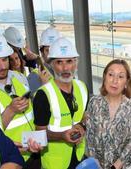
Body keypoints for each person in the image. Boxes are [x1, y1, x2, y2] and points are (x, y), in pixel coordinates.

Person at [0, 27, 40, 165]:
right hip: (9, 160)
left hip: (34, 153)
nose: (2, 66)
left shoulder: (20, 77)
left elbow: (31, 116)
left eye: (4, 59)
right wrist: (11, 111)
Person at [33, 37, 88, 169]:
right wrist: (61, 136)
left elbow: (84, 115)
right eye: (59, 62)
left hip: (79, 156)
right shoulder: (43, 95)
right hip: (56, 163)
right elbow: (39, 135)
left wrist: (81, 126)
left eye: (69, 61)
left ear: (76, 63)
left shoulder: (82, 87)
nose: (65, 68)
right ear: (51, 64)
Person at [86, 59, 131, 169]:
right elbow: (90, 139)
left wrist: (115, 167)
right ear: (104, 78)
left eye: (121, 77)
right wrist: (95, 165)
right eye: (111, 74)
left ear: (126, 82)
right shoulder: (94, 103)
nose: (114, 80)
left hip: (125, 166)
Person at [27, 26, 61, 93]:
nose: (52, 54)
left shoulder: (64, 72)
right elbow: (33, 102)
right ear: (42, 53)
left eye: (55, 49)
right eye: (47, 50)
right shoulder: (34, 76)